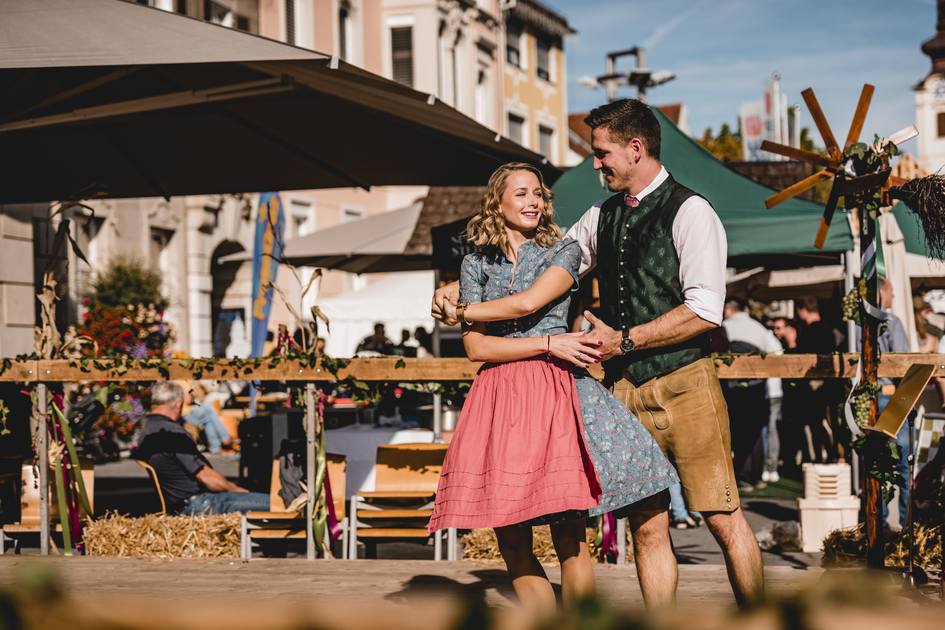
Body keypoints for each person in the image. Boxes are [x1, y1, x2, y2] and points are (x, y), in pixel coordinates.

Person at [434, 100, 764, 608]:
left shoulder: (691, 210)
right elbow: (540, 268)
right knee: (647, 525)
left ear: (635, 149)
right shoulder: (599, 217)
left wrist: (625, 340)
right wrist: (456, 287)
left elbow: (704, 310)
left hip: (685, 383)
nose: (594, 163)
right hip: (622, 391)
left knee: (721, 516)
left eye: (601, 152)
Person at [428, 162, 677, 614]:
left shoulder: (562, 252)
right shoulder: (474, 263)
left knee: (569, 535)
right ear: (497, 203)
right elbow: (477, 349)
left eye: (538, 193)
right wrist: (546, 341)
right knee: (510, 535)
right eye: (520, 193)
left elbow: (529, 302)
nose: (533, 201)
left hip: (555, 393)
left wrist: (462, 308)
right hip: (499, 399)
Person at [134, 381, 269, 515]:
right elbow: (206, 478)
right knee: (274, 504)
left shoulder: (147, 429)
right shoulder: (173, 433)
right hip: (199, 504)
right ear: (179, 404)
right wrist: (238, 490)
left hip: (180, 504)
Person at [855, 276, 913, 528]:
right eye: (890, 292)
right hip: (890, 396)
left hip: (862, 399)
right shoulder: (891, 321)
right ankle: (907, 524)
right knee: (902, 462)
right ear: (882, 294)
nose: (893, 297)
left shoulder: (854, 323)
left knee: (874, 463)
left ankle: (878, 524)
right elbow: (904, 364)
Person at [721, 298, 783, 490]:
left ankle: (743, 477)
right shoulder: (760, 328)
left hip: (734, 388)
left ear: (730, 309)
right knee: (756, 430)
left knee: (739, 430)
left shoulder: (724, 327)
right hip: (758, 389)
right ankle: (757, 476)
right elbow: (777, 354)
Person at [175, 380, 235, 454]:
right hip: (186, 411)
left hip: (178, 409)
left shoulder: (175, 380)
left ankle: (222, 439)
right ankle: (220, 441)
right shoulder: (185, 382)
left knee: (208, 412)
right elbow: (188, 400)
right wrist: (193, 395)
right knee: (209, 415)